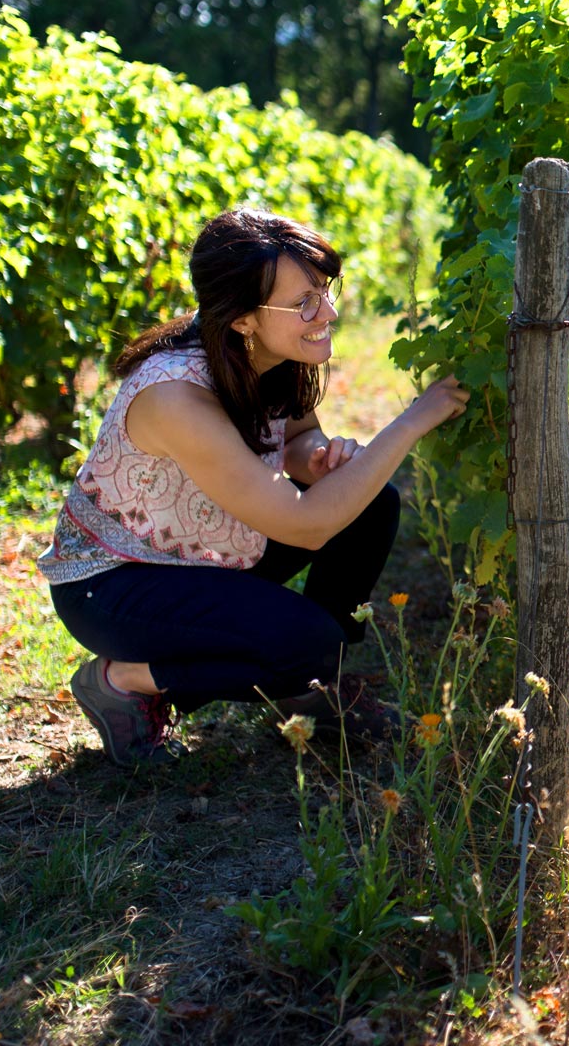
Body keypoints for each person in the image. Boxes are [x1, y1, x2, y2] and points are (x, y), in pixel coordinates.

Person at [38, 208, 467, 766]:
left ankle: (311, 691)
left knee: (370, 507)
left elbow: (298, 435)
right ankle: (124, 680)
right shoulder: (175, 397)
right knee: (310, 641)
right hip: (115, 584)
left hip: (202, 547)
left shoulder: (268, 350)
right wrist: (411, 421)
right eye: (304, 303)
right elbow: (307, 527)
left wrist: (315, 459)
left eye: (325, 291)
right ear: (242, 318)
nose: (328, 312)